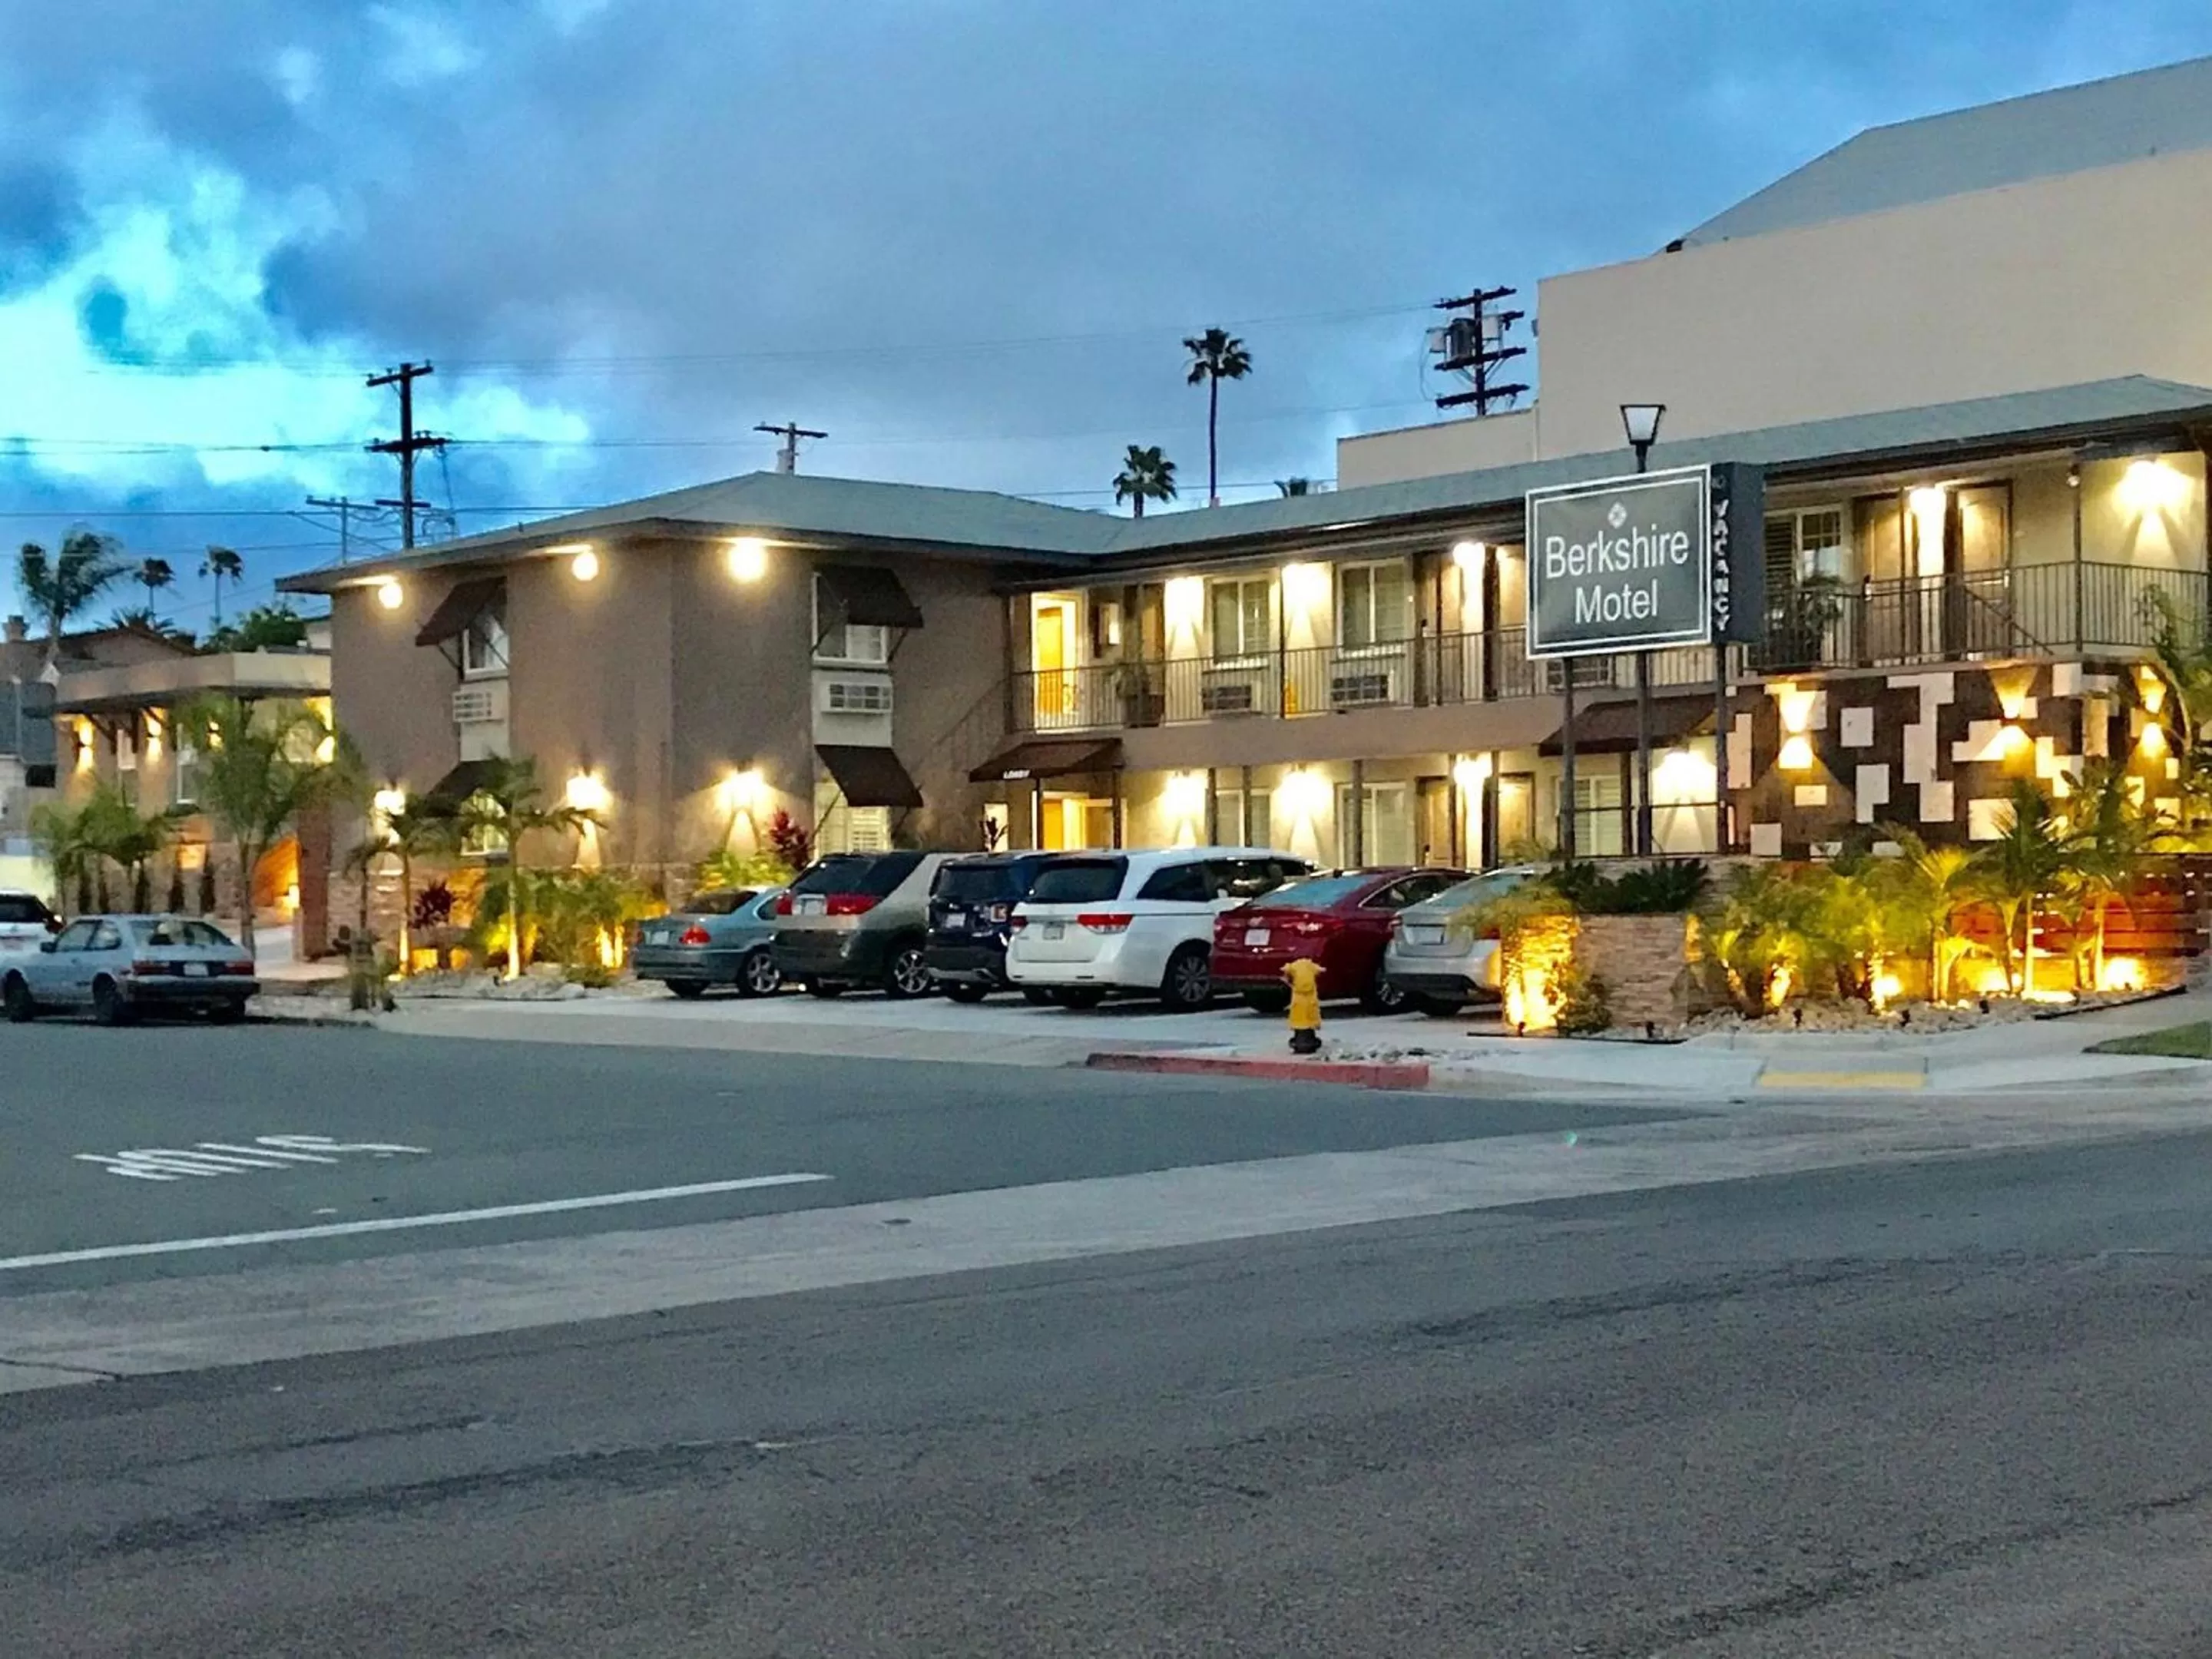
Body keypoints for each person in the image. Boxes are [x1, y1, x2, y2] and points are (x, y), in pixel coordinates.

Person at [1283, 956, 1323, 1055]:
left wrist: (1288, 980)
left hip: (1298, 1005)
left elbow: (1286, 970)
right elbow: (1321, 970)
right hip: (1310, 1008)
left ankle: (1299, 1044)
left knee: (1299, 1021)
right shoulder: (1311, 967)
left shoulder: (1293, 967)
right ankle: (1310, 1043)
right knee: (1309, 1022)